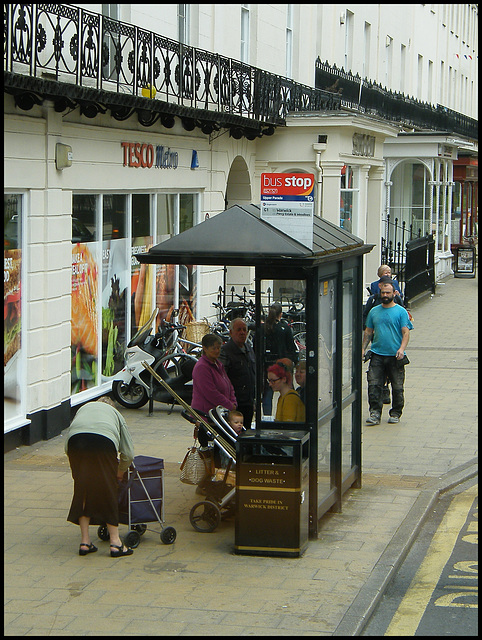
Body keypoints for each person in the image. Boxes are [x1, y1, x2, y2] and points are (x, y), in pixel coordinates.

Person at [65, 396, 135, 557]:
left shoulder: (84, 408)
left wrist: (77, 473)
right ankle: (116, 543)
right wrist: (119, 472)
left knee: (82, 491)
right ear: (112, 407)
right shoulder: (115, 414)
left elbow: (68, 445)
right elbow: (128, 453)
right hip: (102, 442)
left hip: (76, 442)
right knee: (108, 490)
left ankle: (85, 542)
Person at [362, 281, 413, 425]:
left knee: (397, 387)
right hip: (377, 354)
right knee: (374, 385)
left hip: (395, 356)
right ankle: (375, 413)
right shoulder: (374, 311)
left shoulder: (401, 312)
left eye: (388, 293)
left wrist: (401, 349)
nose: (385, 295)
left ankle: (396, 412)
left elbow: (406, 332)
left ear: (394, 294)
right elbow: (368, 332)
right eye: (383, 293)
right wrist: (363, 348)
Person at [191, 333, 237, 448]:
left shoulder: (217, 364)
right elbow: (210, 393)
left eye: (219, 348)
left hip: (220, 415)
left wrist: (233, 402)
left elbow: (228, 385)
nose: (217, 351)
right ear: (205, 349)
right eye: (214, 348)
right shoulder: (202, 367)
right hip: (207, 416)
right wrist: (229, 405)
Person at [262, 303, 299, 415]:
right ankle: (289, 414)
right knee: (287, 391)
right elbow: (291, 347)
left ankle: (267, 418)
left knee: (268, 392)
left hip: (267, 364)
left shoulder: (263, 328)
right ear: (280, 314)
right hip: (282, 364)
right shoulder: (284, 328)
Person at [219, 318, 256, 428]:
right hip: (235, 404)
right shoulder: (225, 351)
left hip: (248, 402)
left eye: (244, 330)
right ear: (231, 332)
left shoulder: (249, 348)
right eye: (238, 330)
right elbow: (222, 379)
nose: (242, 333)